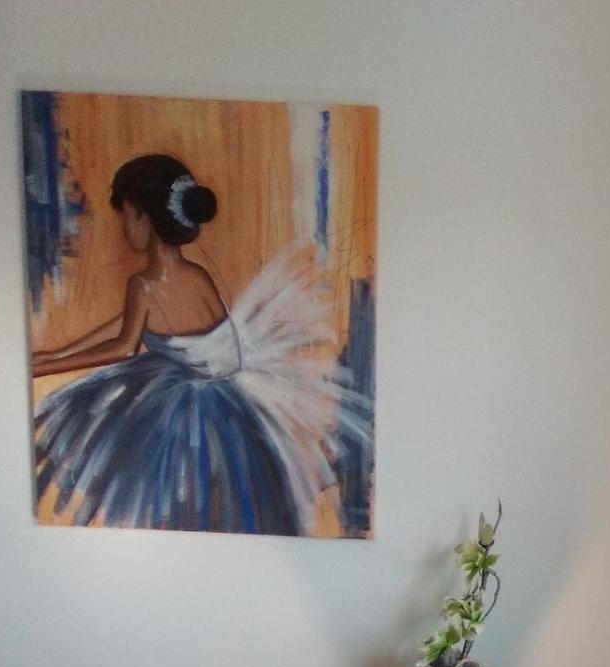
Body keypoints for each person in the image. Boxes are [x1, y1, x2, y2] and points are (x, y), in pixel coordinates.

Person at [31, 154, 371, 535]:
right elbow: (129, 325)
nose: (123, 227)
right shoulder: (195, 275)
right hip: (232, 403)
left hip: (190, 410)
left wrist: (49, 365)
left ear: (144, 217)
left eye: (125, 216)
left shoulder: (144, 285)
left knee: (186, 499)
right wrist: (58, 351)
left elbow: (125, 347)